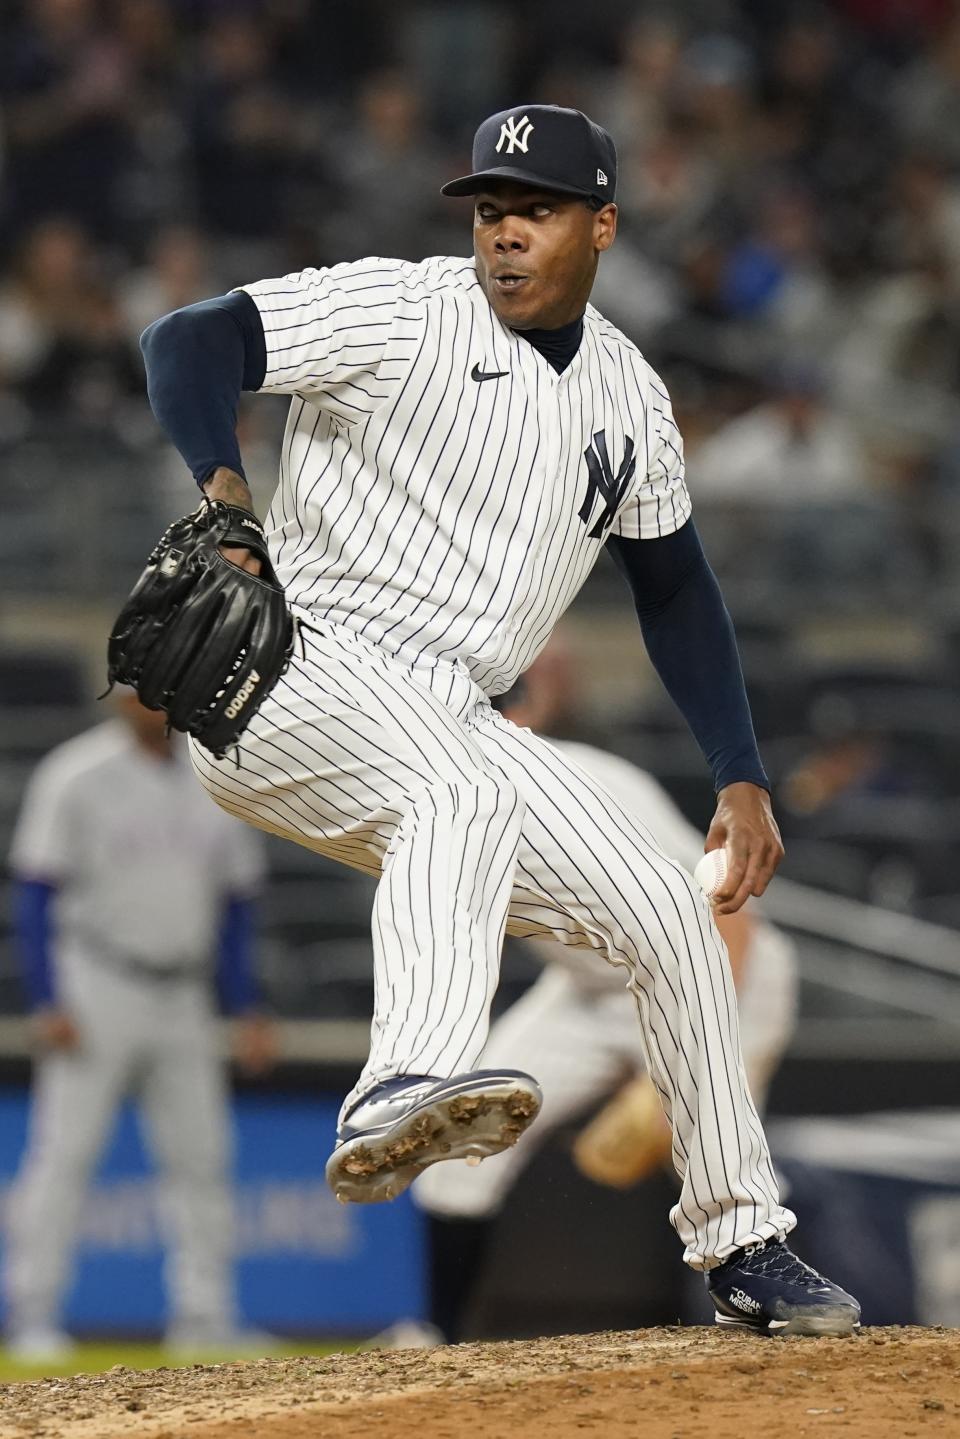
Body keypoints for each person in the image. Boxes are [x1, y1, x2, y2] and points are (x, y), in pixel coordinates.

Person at [138, 103, 859, 1335]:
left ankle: (743, 1236)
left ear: (603, 225)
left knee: (673, 916)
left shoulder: (629, 394)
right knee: (458, 793)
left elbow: (676, 588)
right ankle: (402, 1081)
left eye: (535, 210)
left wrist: (739, 769)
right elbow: (187, 340)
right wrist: (224, 488)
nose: (505, 235)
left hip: (450, 705)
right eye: (489, 211)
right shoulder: (400, 307)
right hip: (297, 672)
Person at [414, 654, 798, 1342]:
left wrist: (686, 1064)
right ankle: (436, 1339)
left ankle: (760, 1340)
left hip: (725, 976)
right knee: (456, 1144)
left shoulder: (591, 785)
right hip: (590, 992)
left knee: (723, 1179)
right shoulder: (444, 811)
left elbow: (725, 912)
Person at [5, 692, 276, 1361]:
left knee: (203, 1159)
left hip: (184, 990)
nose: (148, 699)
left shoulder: (218, 769)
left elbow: (238, 903)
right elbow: (35, 891)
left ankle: (204, 1317)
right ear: (118, 697)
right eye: (136, 686)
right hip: (96, 981)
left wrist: (244, 1005)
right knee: (64, 1156)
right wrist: (48, 999)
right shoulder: (75, 772)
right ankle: (33, 1315)